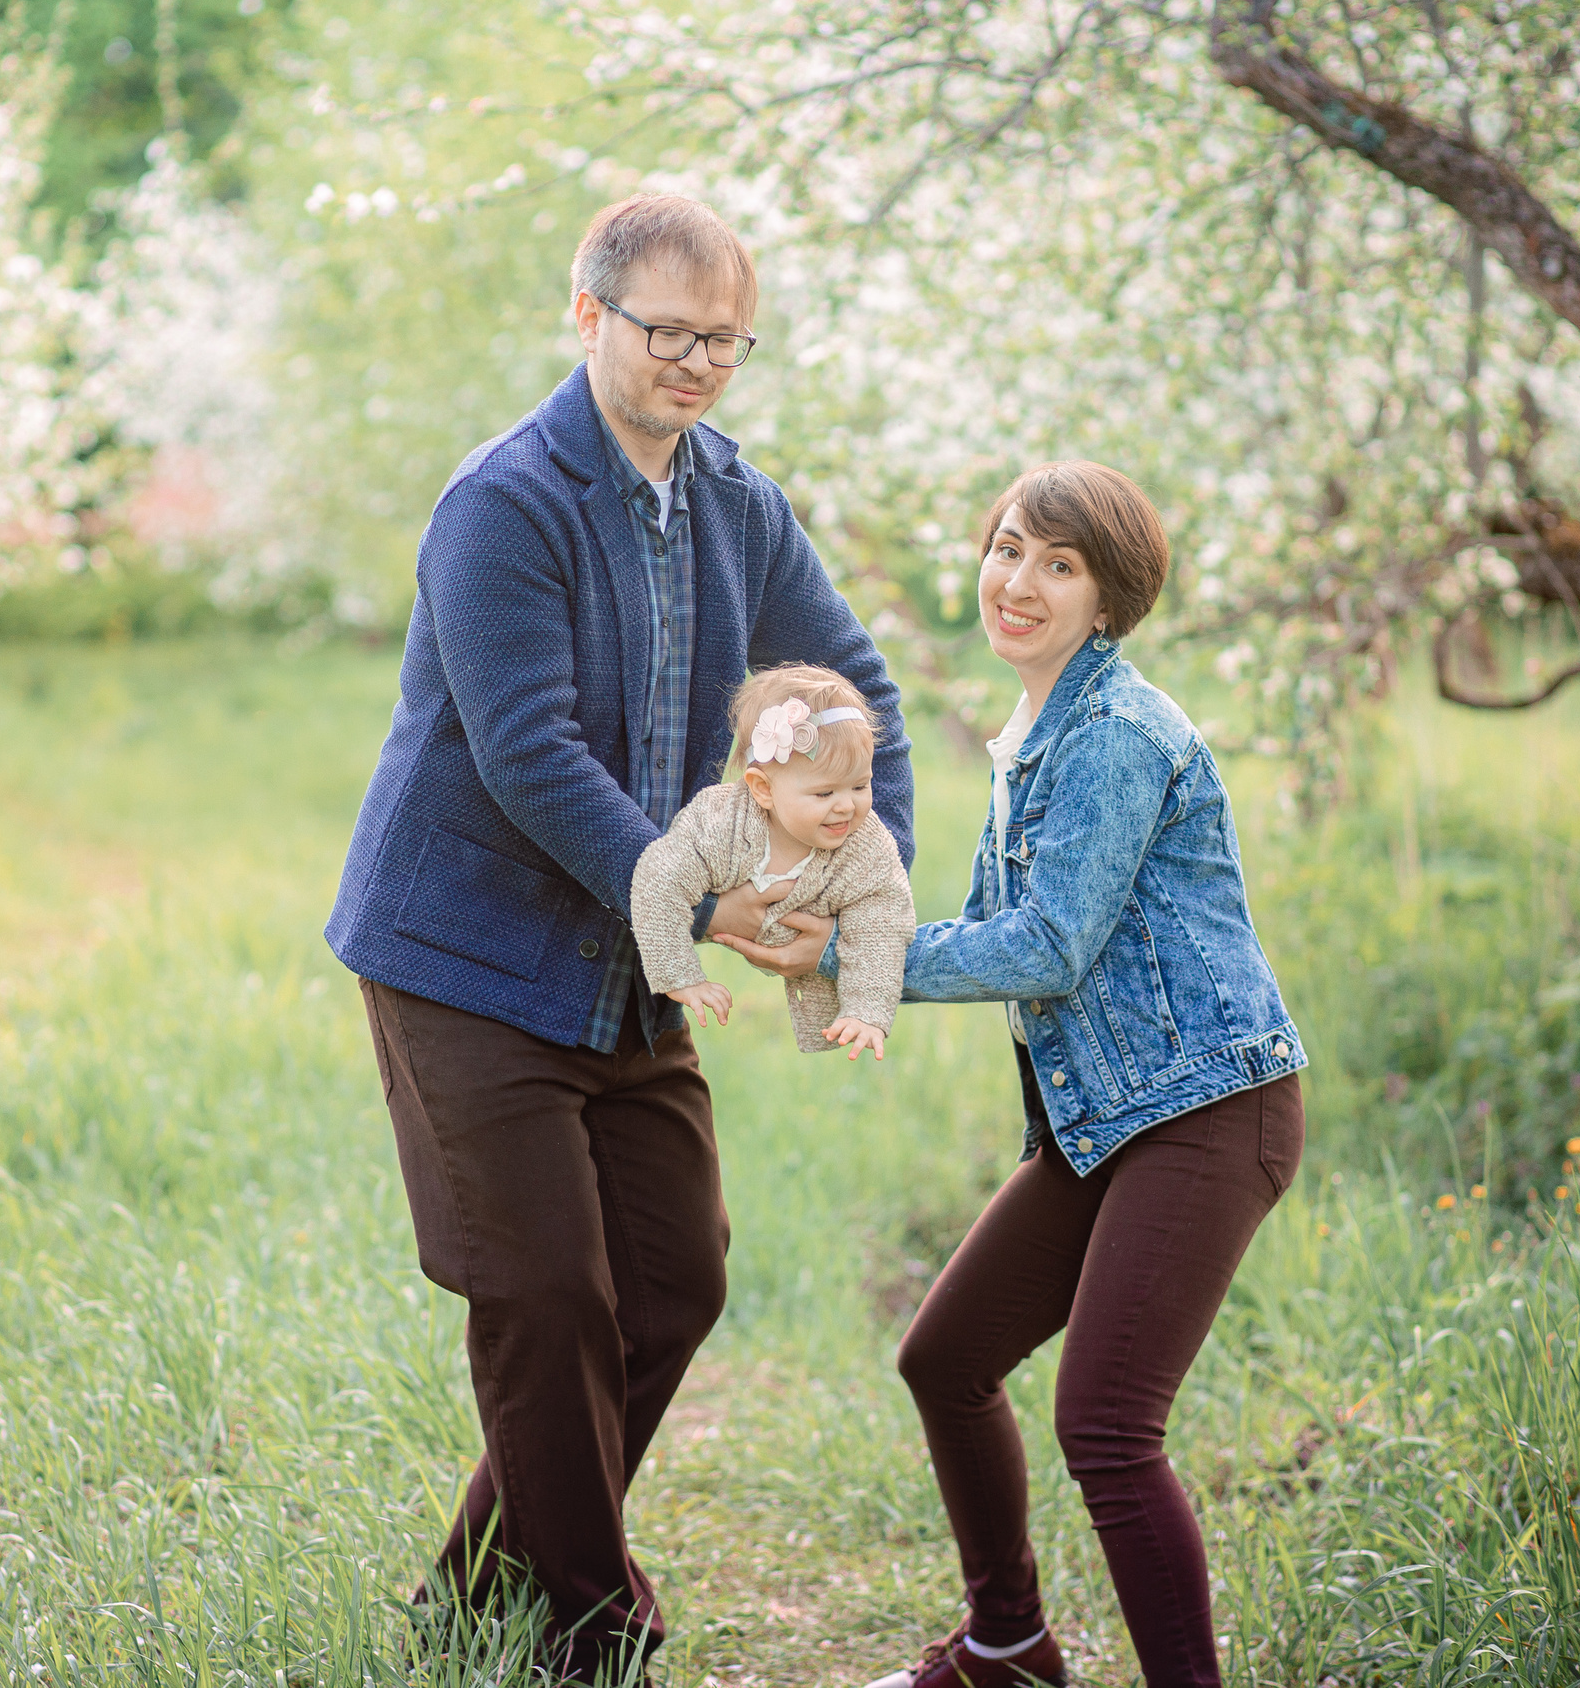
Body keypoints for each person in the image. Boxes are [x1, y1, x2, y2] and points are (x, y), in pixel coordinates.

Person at [325, 193, 914, 1684]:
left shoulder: (737, 504)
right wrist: (707, 904)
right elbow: (530, 755)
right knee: (543, 1296)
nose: (699, 364)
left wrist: (856, 888)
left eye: (727, 340)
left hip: (624, 970)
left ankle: (476, 1603)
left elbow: (852, 690)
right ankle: (594, 1634)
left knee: (673, 1280)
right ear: (587, 315)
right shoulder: (502, 504)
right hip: (467, 956)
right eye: (670, 333)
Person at [719, 461, 1306, 1688]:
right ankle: (1008, 1648)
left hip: (1207, 1109)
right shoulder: (1032, 733)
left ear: (1108, 599)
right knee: (944, 1360)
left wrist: (848, 954)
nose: (1018, 582)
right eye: (1006, 548)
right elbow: (992, 928)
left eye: (1059, 564)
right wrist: (822, 934)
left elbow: (1045, 946)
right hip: (1108, 1121)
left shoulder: (1115, 734)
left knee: (1107, 1425)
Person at [629, 664, 914, 1059]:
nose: (847, 806)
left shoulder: (865, 846)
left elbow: (882, 923)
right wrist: (679, 975)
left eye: (860, 785)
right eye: (825, 793)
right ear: (763, 789)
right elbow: (657, 878)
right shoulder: (719, 825)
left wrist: (867, 1011)